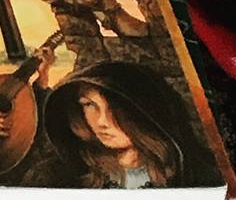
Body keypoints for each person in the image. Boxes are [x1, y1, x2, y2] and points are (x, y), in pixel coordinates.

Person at [43, 61, 223, 190]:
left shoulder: (197, 174)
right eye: (89, 105)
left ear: (144, 111)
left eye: (115, 108)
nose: (101, 121)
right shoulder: (58, 174)